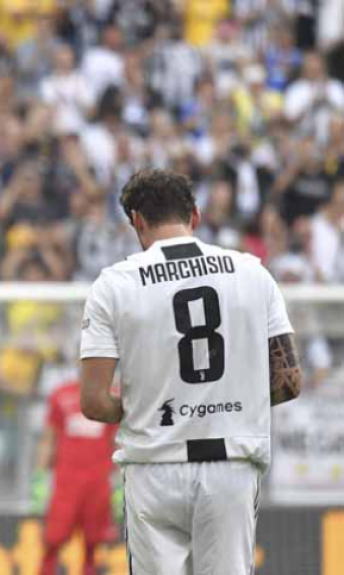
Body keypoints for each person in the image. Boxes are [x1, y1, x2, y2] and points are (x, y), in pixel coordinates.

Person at [79, 168, 302, 575]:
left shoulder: (113, 285)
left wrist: (151, 408)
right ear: (195, 216)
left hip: (153, 466)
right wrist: (230, 400)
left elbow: (94, 403)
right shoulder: (252, 272)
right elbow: (289, 382)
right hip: (229, 466)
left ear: (138, 222)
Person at [34, 380, 118, 575]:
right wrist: (39, 478)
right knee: (54, 539)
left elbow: (118, 439)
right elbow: (49, 437)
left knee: (93, 542)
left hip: (98, 480)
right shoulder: (62, 394)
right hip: (66, 480)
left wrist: (121, 478)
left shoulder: (112, 397)